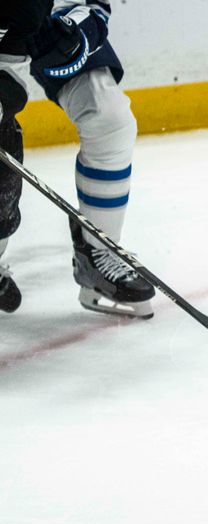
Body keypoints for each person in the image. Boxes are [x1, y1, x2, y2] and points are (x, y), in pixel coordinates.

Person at [0, 0, 152, 318]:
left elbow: (95, 7)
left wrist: (80, 27)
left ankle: (98, 253)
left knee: (109, 119)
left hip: (35, 14)